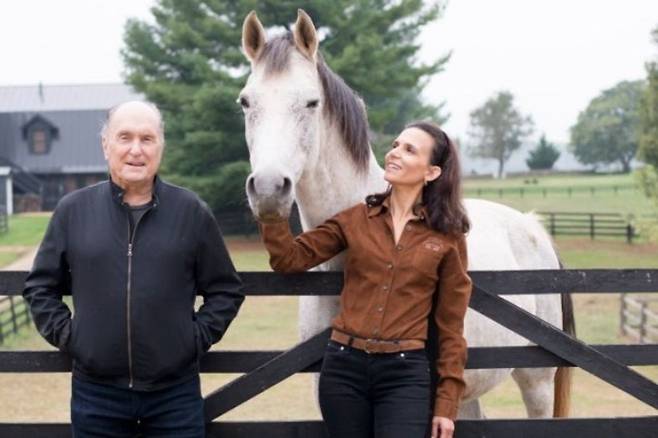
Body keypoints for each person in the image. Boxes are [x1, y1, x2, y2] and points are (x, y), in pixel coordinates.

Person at [23, 101, 244, 437]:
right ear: (106, 145)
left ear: (160, 147)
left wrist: (192, 340)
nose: (136, 150)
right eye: (124, 137)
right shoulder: (73, 210)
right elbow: (40, 287)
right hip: (96, 395)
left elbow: (226, 289)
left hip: (174, 395)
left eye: (147, 138)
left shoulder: (191, 211)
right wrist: (71, 338)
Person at [258, 121, 472, 438]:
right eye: (396, 145)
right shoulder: (356, 219)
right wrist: (270, 211)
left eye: (409, 150)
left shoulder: (447, 237)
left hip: (405, 374)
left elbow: (451, 328)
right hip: (344, 370)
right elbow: (289, 259)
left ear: (431, 172)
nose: (394, 153)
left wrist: (446, 404)